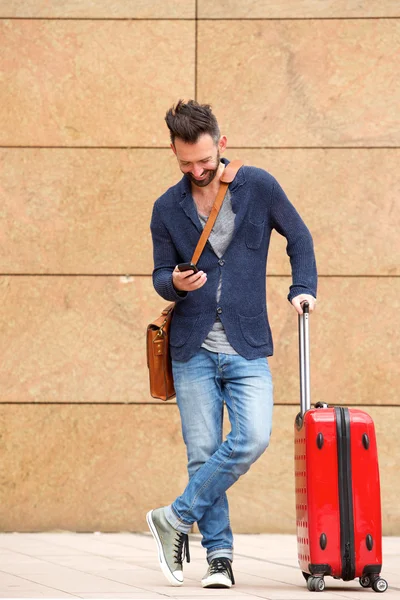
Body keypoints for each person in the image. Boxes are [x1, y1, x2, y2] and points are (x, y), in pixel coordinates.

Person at [147, 100, 317, 589]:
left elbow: (299, 237)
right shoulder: (166, 207)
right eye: (186, 164)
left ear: (221, 144)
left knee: (253, 437)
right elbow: (160, 275)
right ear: (175, 155)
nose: (197, 171)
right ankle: (219, 558)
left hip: (245, 344)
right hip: (192, 347)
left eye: (203, 160)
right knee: (202, 452)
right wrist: (176, 282)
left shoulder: (258, 186)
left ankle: (173, 518)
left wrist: (301, 287)